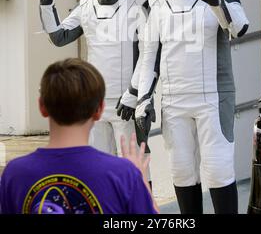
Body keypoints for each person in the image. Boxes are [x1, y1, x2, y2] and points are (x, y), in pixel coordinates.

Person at [135, 0, 249, 214]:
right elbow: (149, 56)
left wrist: (216, 4)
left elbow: (240, 29)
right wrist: (142, 99)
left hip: (213, 98)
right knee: (183, 171)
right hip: (174, 100)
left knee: (217, 170)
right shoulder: (155, 2)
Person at [36, 0, 154, 157]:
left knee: (135, 171)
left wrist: (135, 94)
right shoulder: (87, 2)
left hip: (127, 103)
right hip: (94, 103)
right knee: (98, 171)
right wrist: (47, 5)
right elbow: (59, 37)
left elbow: (150, 55)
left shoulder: (143, 1)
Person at [0, 58, 158, 214]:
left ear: (42, 106)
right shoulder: (122, 173)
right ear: (99, 110)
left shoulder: (14, 174)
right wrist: (141, 180)